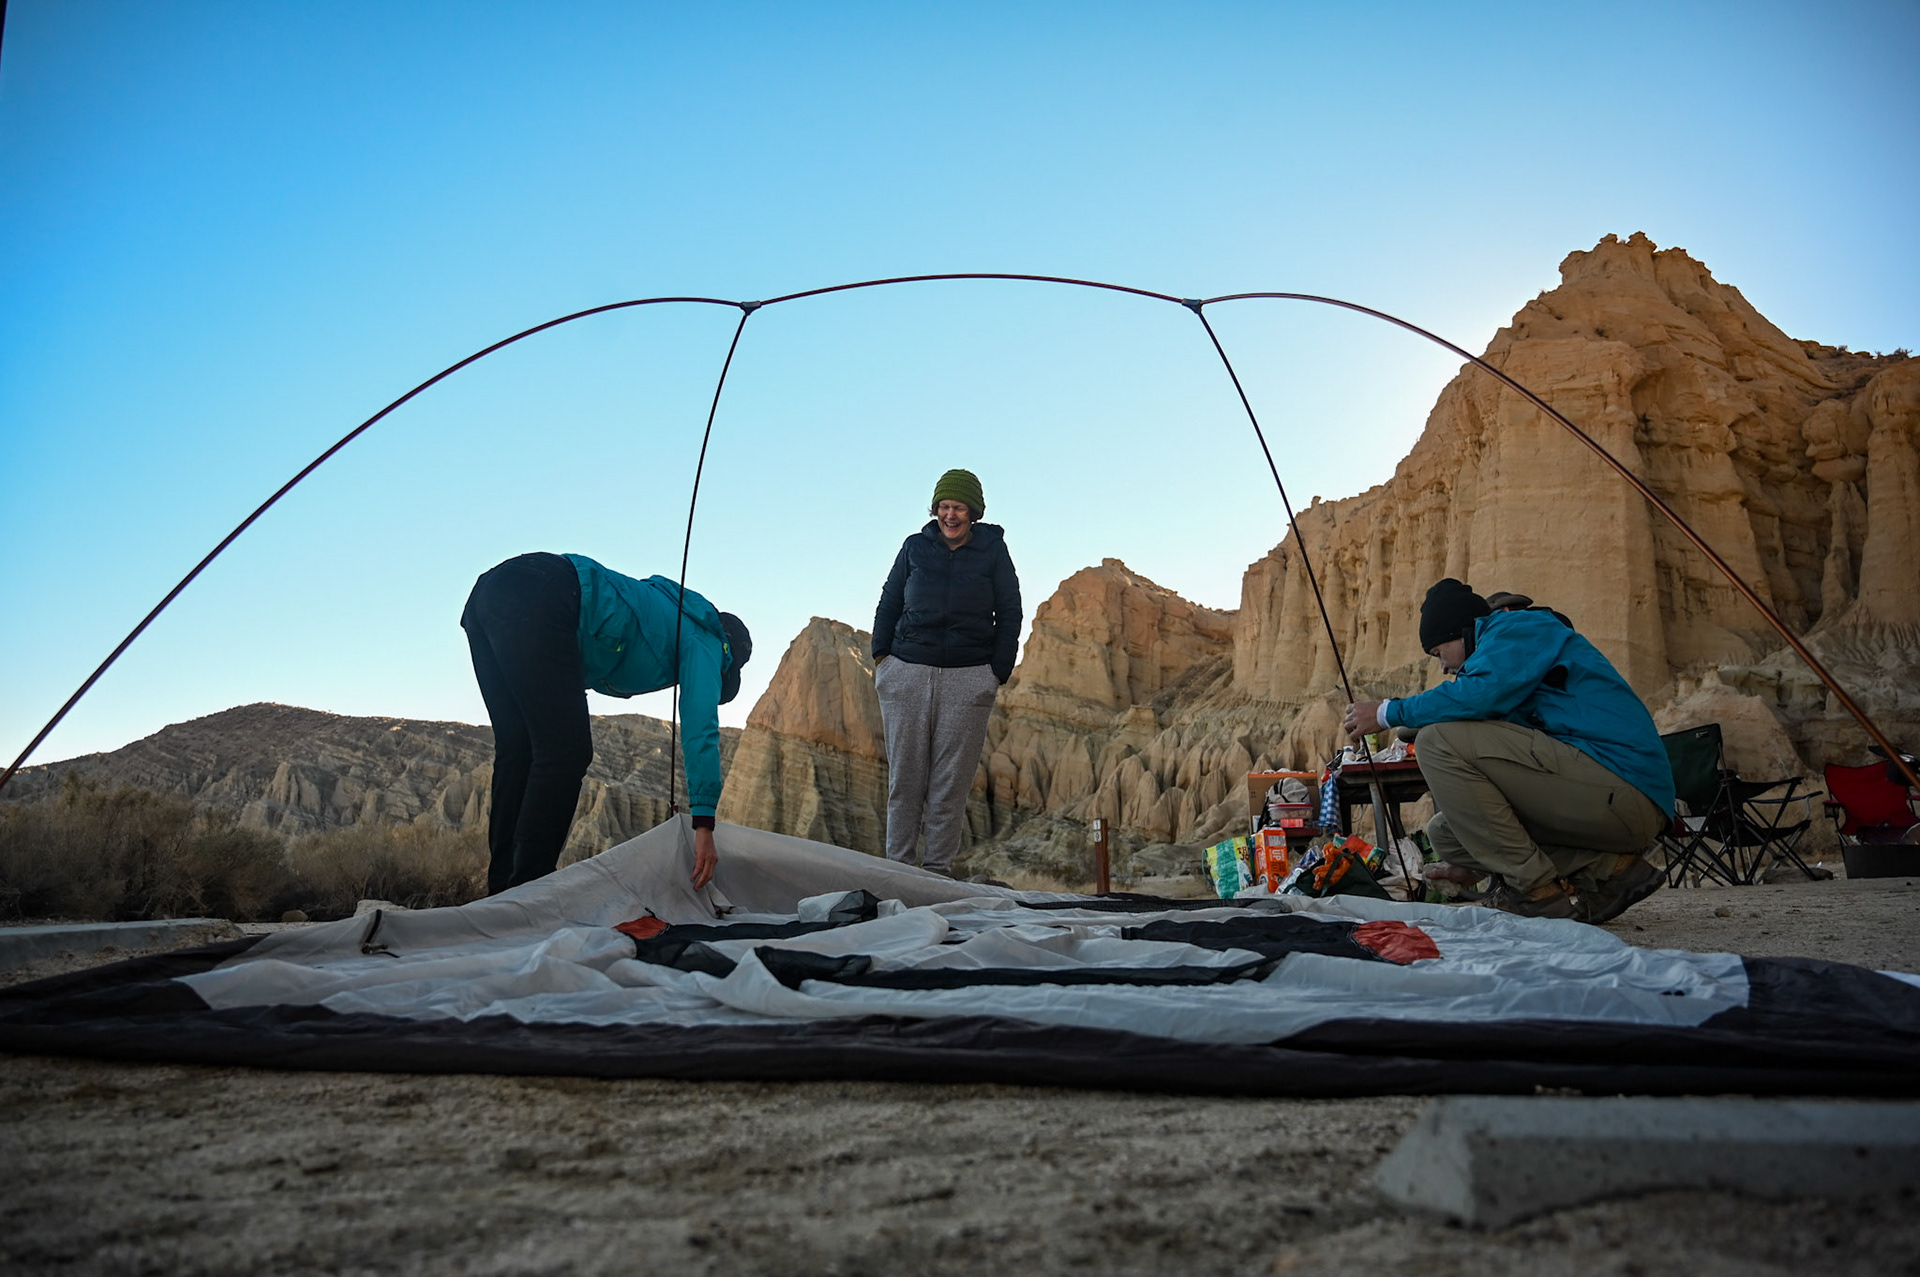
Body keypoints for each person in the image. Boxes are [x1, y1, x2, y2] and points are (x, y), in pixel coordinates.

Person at [1342, 579, 1671, 922]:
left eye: (1439, 653)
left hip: (1628, 793)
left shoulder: (1519, 629)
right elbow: (1465, 710)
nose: (1443, 667)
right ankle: (1613, 872)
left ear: (1461, 632)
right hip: (1599, 797)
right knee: (1448, 834)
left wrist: (1385, 712)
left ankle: (1535, 892)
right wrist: (1481, 861)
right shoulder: (1502, 662)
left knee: (1436, 742)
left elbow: (1477, 696)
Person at [461, 552, 750, 895]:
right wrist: (704, 826)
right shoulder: (708, 640)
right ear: (728, 656)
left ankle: (500, 897)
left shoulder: (670, 607)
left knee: (518, 750)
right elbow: (700, 728)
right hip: (552, 594)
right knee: (565, 753)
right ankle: (529, 895)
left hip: (493, 592)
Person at [871, 469, 1022, 875]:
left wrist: (995, 673)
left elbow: (1010, 610)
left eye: (958, 508)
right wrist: (883, 659)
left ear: (973, 513)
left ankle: (937, 874)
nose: (950, 515)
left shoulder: (993, 551)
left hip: (968, 678)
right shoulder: (914, 547)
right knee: (905, 782)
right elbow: (889, 601)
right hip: (907, 672)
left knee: (949, 786)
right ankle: (899, 873)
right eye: (943, 507)